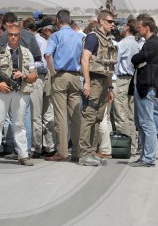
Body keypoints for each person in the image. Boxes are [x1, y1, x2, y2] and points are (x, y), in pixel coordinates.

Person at [0, 24, 37, 165]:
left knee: (19, 124)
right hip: (3, 91)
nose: (13, 37)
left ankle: (23, 155)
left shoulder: (27, 53)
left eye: (16, 35)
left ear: (20, 36)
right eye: (10, 34)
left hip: (20, 92)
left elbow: (34, 76)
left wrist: (24, 75)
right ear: (7, 36)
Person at [78, 10, 117, 166]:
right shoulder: (93, 38)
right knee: (89, 116)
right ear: (101, 21)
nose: (112, 24)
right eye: (109, 21)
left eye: (113, 22)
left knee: (98, 117)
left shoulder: (107, 40)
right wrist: (87, 81)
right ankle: (84, 153)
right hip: (93, 80)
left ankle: (92, 151)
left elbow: (107, 65)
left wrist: (109, 87)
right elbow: (85, 59)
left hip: (103, 81)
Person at [44, 9, 83, 162]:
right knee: (75, 116)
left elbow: (48, 55)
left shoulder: (56, 36)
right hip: (75, 76)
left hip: (60, 75)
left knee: (60, 116)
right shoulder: (79, 37)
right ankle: (78, 151)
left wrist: (53, 72)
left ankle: (62, 152)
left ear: (57, 20)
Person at [128, 17, 158, 167]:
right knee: (141, 123)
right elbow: (138, 60)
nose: (138, 29)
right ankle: (144, 156)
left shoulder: (153, 44)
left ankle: (148, 158)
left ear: (147, 28)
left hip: (146, 87)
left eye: (140, 27)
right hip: (141, 86)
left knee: (147, 123)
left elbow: (136, 58)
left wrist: (138, 60)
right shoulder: (149, 43)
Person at [25, 21, 56, 158]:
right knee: (46, 114)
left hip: (37, 79)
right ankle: (48, 146)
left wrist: (27, 66)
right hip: (44, 78)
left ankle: (36, 147)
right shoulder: (42, 41)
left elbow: (42, 65)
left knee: (36, 115)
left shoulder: (37, 41)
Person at [113, 18, 140, 155]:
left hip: (122, 79)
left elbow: (116, 64)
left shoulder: (122, 44)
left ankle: (125, 144)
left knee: (120, 113)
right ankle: (133, 146)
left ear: (128, 28)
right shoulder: (137, 44)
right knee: (130, 115)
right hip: (133, 80)